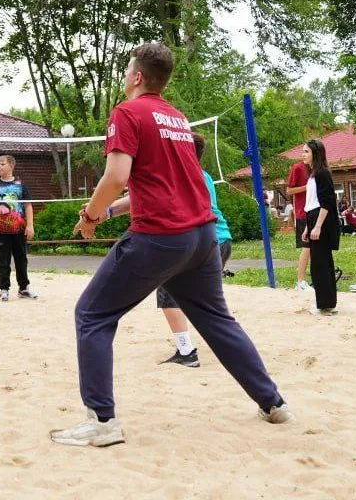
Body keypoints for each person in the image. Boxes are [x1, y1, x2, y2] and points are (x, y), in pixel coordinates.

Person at [50, 43, 292, 448]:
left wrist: (90, 216)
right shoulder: (176, 118)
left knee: (92, 314)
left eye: (128, 69)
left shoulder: (127, 112)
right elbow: (165, 186)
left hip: (162, 236)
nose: (126, 75)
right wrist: (107, 214)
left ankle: (102, 422)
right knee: (218, 320)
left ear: (137, 76)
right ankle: (273, 403)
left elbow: (115, 178)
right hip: (202, 236)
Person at [146, 131, 236, 369]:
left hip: (204, 241)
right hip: (223, 239)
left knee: (168, 293)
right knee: (204, 301)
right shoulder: (204, 175)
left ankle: (186, 351)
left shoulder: (181, 174)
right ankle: (230, 347)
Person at [0, 154, 39, 302]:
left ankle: (23, 288)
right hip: (0, 231)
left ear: (11, 166)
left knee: (21, 260)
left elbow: (28, 206)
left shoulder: (21, 185)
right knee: (3, 260)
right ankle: (4, 288)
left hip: (19, 230)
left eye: (2, 164)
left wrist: (30, 225)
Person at [301, 139, 339, 314]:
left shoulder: (323, 173)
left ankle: (326, 304)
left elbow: (327, 202)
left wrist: (317, 227)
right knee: (317, 264)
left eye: (306, 151)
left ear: (315, 153)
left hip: (320, 219)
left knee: (321, 263)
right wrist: (308, 227)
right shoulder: (313, 174)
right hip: (313, 217)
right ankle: (324, 302)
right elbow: (311, 202)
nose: (303, 154)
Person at [286, 153, 313, 291]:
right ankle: (300, 281)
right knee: (307, 247)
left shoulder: (316, 168)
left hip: (315, 211)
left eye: (307, 151)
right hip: (302, 212)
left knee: (316, 248)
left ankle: (316, 278)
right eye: (303, 151)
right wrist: (306, 187)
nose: (304, 154)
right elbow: (289, 190)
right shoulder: (298, 168)